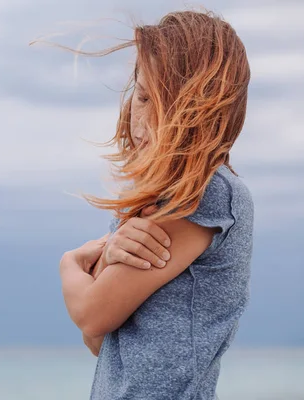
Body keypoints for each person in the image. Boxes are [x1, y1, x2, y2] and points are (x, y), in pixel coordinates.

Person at [56, 10, 254, 399]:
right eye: (139, 94)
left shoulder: (204, 193)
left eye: (152, 99)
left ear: (197, 111)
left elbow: (92, 314)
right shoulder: (158, 199)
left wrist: (68, 265)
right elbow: (100, 342)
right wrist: (110, 255)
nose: (138, 114)